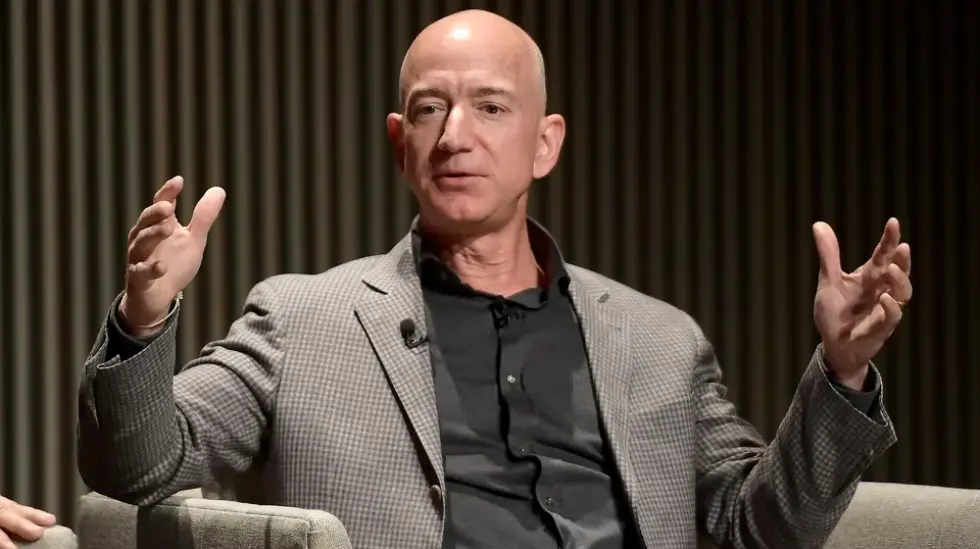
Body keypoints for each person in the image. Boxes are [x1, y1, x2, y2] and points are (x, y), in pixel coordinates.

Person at [76, 9, 913, 549]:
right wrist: (145, 315)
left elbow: (759, 528)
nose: (455, 136)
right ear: (400, 143)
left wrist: (841, 371)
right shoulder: (303, 319)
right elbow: (139, 466)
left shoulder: (660, 339)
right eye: (430, 109)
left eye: (490, 107)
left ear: (546, 143)